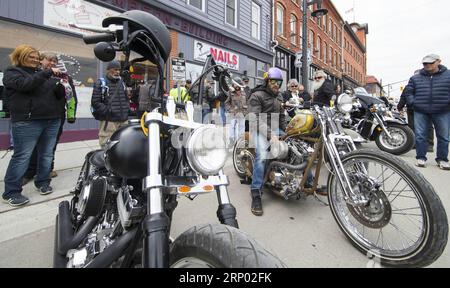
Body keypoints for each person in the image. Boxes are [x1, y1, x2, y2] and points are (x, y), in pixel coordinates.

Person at [2, 45, 64, 206]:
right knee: (22, 156)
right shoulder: (12, 72)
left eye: (37, 57)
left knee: (46, 154)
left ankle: (43, 182)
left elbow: (58, 96)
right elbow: (26, 85)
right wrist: (47, 73)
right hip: (27, 121)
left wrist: (61, 87)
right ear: (20, 56)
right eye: (31, 56)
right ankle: (11, 192)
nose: (35, 59)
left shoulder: (41, 74)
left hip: (52, 119)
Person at [22, 52, 78, 184]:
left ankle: (47, 169)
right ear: (41, 61)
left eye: (55, 61)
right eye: (49, 60)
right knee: (33, 146)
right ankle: (30, 172)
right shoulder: (33, 75)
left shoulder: (65, 77)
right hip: (35, 117)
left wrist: (71, 115)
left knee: (50, 146)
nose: (52, 63)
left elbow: (71, 98)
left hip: (57, 116)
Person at [247, 67, 287, 216]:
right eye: (273, 81)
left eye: (279, 82)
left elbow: (281, 116)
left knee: (296, 146)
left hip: (275, 129)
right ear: (267, 81)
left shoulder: (279, 97)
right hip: (259, 129)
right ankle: (256, 191)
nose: (276, 84)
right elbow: (254, 118)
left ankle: (307, 182)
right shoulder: (257, 95)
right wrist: (270, 135)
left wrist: (288, 131)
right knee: (262, 155)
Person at [404, 54, 450, 170]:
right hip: (421, 110)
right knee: (420, 136)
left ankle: (442, 159)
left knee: (444, 136)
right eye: (425, 63)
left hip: (442, 110)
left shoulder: (448, 75)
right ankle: (421, 158)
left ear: (438, 61)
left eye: (430, 63)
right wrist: (413, 103)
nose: (427, 65)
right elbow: (408, 92)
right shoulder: (415, 78)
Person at [91, 60, 129, 149]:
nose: (117, 72)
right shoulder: (100, 83)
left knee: (123, 145)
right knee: (107, 146)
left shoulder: (122, 83)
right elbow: (95, 102)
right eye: (115, 69)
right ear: (108, 70)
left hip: (123, 120)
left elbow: (126, 99)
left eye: (119, 70)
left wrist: (127, 110)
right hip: (109, 121)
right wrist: (108, 112)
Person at [397, 82, 434, 152]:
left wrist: (400, 107)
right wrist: (400, 107)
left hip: (420, 108)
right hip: (417, 109)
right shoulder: (428, 84)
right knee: (422, 126)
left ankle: (423, 144)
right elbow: (404, 97)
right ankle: (423, 144)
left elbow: (403, 97)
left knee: (422, 126)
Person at [225, 77, 247, 145]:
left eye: (237, 84)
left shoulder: (244, 92)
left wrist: (246, 111)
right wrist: (230, 110)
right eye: (234, 84)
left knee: (242, 128)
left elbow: (247, 102)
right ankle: (231, 141)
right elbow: (226, 103)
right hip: (233, 113)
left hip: (242, 113)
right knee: (232, 127)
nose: (236, 86)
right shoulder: (230, 92)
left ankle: (240, 142)